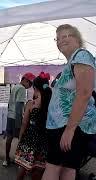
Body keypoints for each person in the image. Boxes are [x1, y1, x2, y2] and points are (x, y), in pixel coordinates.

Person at [42, 24, 96, 180]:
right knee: (68, 168)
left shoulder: (81, 54)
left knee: (53, 167)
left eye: (66, 36)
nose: (60, 40)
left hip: (69, 124)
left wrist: (70, 129)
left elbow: (85, 92)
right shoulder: (73, 61)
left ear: (78, 40)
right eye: (58, 38)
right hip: (66, 124)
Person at [15, 72, 52, 180]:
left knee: (22, 167)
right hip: (44, 141)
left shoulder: (31, 104)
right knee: (38, 171)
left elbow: (24, 123)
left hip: (29, 139)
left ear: (35, 88)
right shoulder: (50, 105)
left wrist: (21, 137)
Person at [3, 72, 36, 166]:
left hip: (10, 116)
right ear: (25, 80)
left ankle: (6, 159)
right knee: (21, 138)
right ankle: (19, 160)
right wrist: (19, 123)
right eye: (30, 83)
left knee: (9, 138)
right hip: (16, 118)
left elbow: (10, 104)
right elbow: (18, 108)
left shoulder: (15, 87)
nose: (30, 86)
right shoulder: (22, 89)